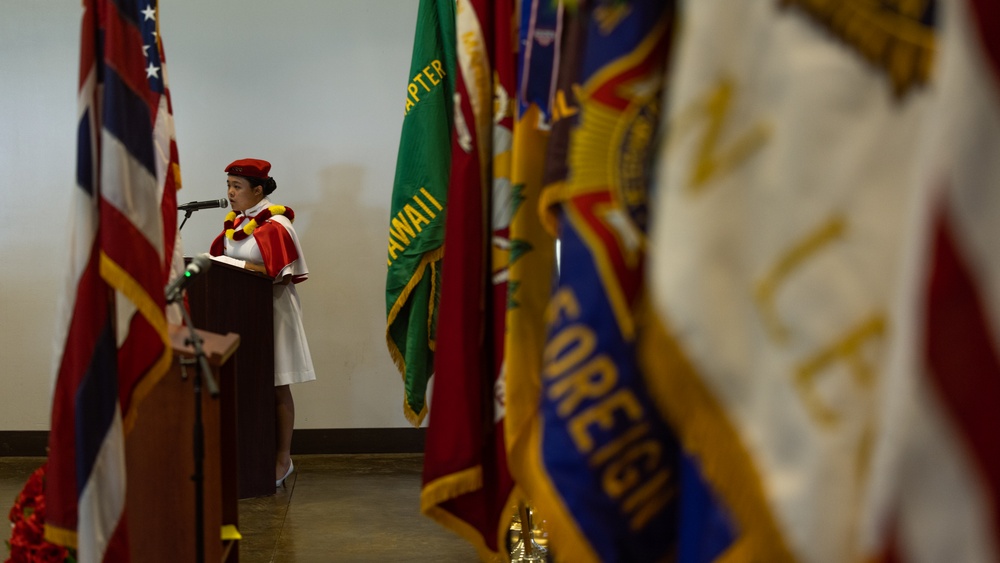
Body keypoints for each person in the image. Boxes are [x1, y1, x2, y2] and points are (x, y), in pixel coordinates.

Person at [209, 158, 315, 488]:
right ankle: (249, 456)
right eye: (228, 185)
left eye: (236, 187)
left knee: (276, 385)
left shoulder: (277, 225)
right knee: (246, 386)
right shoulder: (236, 223)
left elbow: (279, 275)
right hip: (239, 314)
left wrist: (233, 265)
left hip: (273, 316)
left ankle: (282, 460)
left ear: (258, 190)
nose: (230, 193)